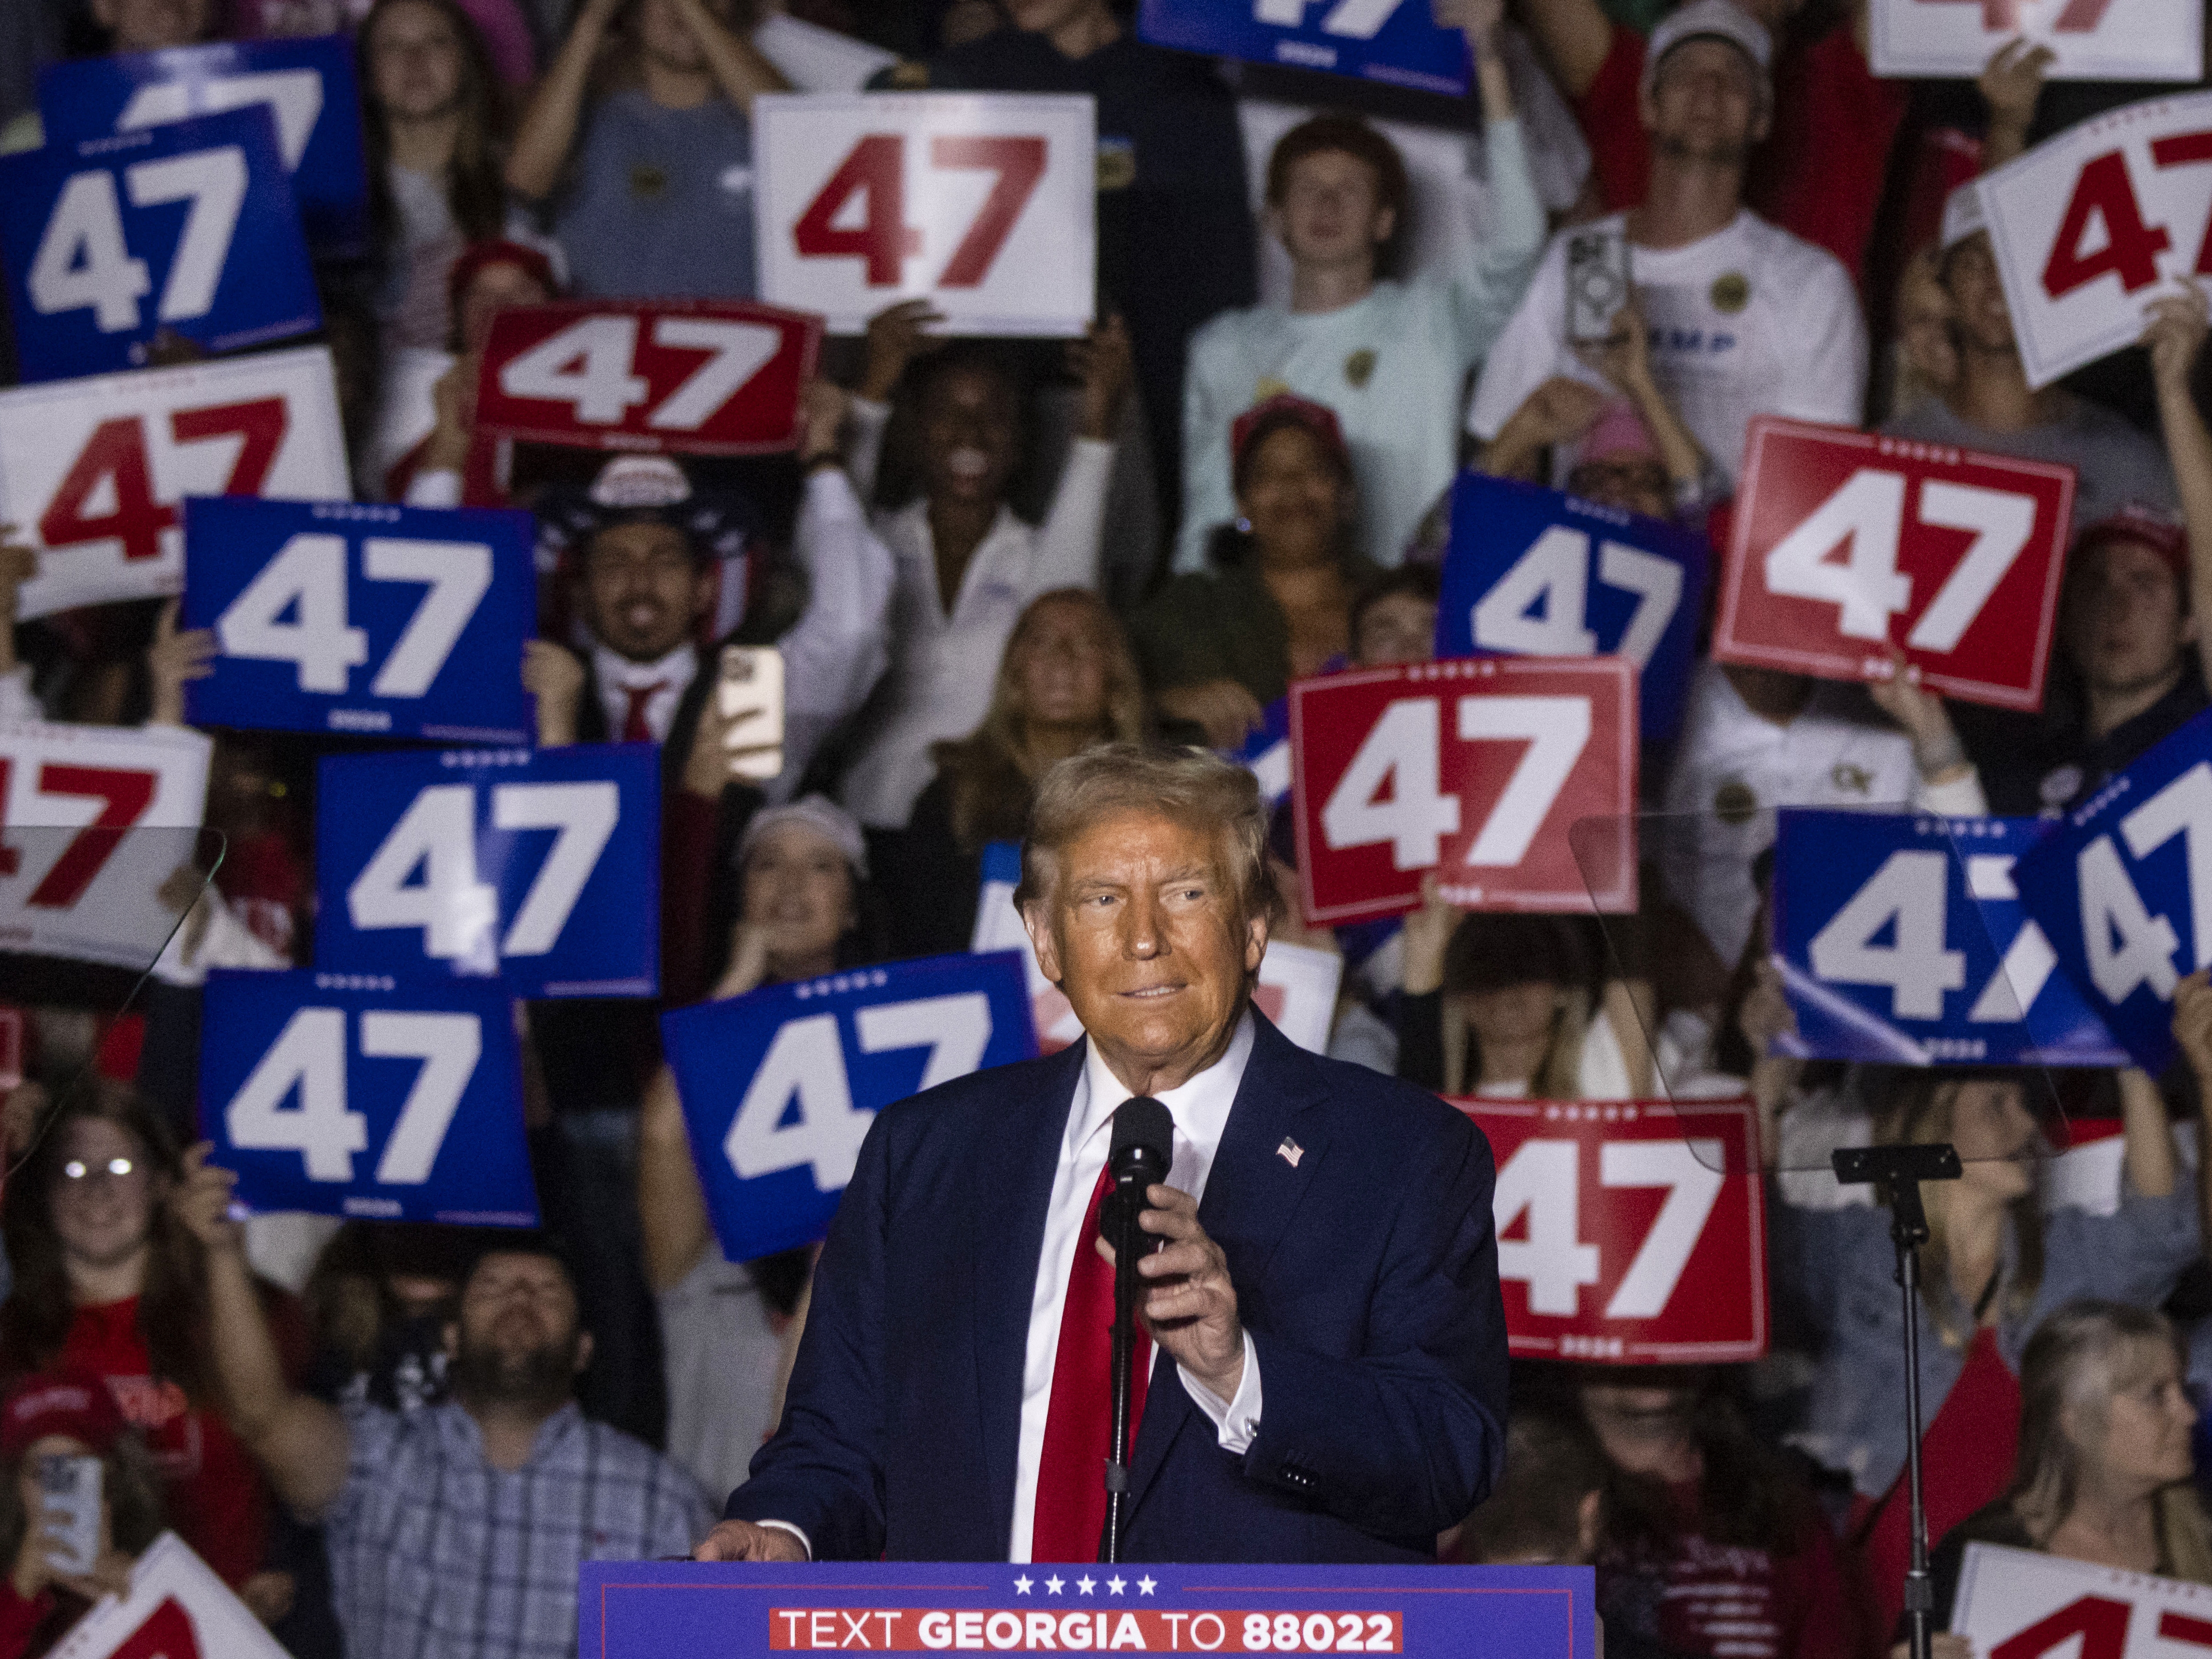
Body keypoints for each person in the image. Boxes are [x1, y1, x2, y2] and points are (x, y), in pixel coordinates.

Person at [698, 744, 1507, 1561]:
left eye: (1187, 893)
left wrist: (1240, 1372)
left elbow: (1450, 1453)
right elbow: (836, 1439)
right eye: (1101, 898)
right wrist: (782, 1529)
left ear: (1255, 926)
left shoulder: (1403, 1155)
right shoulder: (924, 1154)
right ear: (1046, 940)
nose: (1143, 938)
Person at [172, 1185, 714, 1659]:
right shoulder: (378, 1460)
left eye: (548, 1293)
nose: (521, 1296)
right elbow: (261, 1414)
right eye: (492, 1288)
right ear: (449, 1338)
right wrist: (221, 1253)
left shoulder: (656, 1500)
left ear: (583, 1350)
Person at [1773, 1059, 2204, 1634]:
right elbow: (1749, 1238)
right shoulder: (1858, 1256)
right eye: (1997, 1105)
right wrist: (1768, 1069)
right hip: (1879, 1585)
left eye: (2025, 1105)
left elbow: (2163, 1230)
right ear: (1930, 1122)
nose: (2027, 1124)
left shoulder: (2064, 1264)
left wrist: (2130, 1065)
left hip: (2026, 1587)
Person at [1177, 0, 1545, 572]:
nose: (1327, 204)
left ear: (1385, 220)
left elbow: (1519, 242)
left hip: (1398, 617)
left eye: (1349, 189)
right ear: (1274, 217)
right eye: (1308, 189)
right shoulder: (1222, 348)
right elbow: (1207, 516)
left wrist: (1490, 63)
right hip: (1269, 622)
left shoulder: (1432, 321)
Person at [873, 0, 1255, 541]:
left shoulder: (1183, 89)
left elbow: (1217, 283)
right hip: (994, 395)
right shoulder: (971, 76)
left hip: (1132, 398)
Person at [1466, 0, 1866, 496]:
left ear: (1762, 120)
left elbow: (1811, 496)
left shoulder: (1809, 282)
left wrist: (1643, 384)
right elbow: (1498, 450)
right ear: (1647, 107)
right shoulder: (1582, 257)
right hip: (1576, 554)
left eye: (1734, 79)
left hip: (1718, 564)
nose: (1709, 87)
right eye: (1684, 73)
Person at [639, 796, 882, 1503]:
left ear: (855, 902)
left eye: (820, 866)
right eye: (767, 865)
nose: (790, 887)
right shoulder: (711, 1270)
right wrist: (738, 984)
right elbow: (662, 1134)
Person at [0, 1085, 299, 1621]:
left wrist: (285, 1569)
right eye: (71, 1169)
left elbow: (299, 1454)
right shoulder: (14, 1338)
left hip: (220, 1628)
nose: (94, 1188)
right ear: (44, 1191)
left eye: (117, 1166)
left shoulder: (242, 1313)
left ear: (163, 1183)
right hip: (67, 1637)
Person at [838, 325, 1129, 835]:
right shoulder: (872, 542)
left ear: (1020, 441)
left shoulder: (1037, 557)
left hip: (984, 826)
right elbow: (829, 526)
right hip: (859, 822)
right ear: (912, 431)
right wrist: (872, 393)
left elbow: (1069, 595)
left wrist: (1097, 422)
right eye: (946, 412)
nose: (970, 432)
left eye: (993, 415)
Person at [1977, 287, 2212, 815]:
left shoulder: (2201, 741)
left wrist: (2174, 393)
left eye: (2145, 583)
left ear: (2191, 620)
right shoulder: (2023, 769)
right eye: (2094, 583)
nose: (2116, 605)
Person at [1515, 0, 1903, 285]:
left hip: (1800, 377)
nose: (1708, 94)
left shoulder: (1839, 79)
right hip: (1627, 370)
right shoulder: (1641, 79)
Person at [884, 589, 1148, 959]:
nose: (1063, 657)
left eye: (1086, 644)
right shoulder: (951, 798)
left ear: (1116, 683)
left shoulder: (1155, 802)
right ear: (1015, 677)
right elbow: (920, 941)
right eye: (1042, 642)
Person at [1884, 224, 2176, 541]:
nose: (1994, 280)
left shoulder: (2128, 461)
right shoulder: (1890, 455)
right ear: (1948, 288)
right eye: (1972, 262)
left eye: (2013, 259)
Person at [1929, 1301, 2212, 1627]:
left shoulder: (2203, 1536)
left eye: (2182, 1389)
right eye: (2155, 1396)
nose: (2188, 1414)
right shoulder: (1980, 1558)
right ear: (2075, 1421)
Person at [1135, 395, 1377, 751]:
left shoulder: (1403, 598)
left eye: (1313, 468)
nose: (1293, 486)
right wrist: (1166, 703)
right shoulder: (1192, 607)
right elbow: (1095, 683)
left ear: (1346, 497)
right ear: (1242, 507)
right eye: (1267, 474)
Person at [1573, 1367, 1863, 1659]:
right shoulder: (1546, 1508)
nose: (1651, 1382)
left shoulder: (1785, 1511)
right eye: (1626, 1360)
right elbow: (1533, 1642)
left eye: (1666, 1346)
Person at [505, 0, 786, 299]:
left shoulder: (754, 125)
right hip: (609, 338)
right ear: (633, 14)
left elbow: (796, 133)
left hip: (738, 339)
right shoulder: (589, 120)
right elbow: (525, 182)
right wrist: (593, 17)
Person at [361, 0, 515, 357]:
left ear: (467, 60)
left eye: (436, 42)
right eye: (392, 46)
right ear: (367, 73)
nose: (414, 60)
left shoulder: (517, 179)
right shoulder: (343, 198)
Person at [0, 1371, 163, 1657]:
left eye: (74, 1468)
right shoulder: (11, 1599)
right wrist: (19, 1598)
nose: (57, 1492)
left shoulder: (159, 1573)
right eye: (40, 1473)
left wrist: (144, 1602)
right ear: (17, 1490)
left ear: (111, 1478)